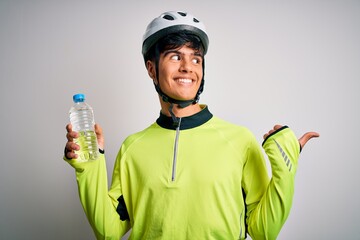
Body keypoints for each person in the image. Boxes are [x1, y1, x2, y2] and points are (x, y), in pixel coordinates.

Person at [64, 11, 319, 240]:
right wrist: (89, 166)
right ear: (151, 69)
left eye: (196, 59)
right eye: (175, 56)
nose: (188, 67)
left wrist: (286, 163)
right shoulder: (133, 147)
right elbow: (108, 231)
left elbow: (265, 232)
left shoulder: (239, 140)